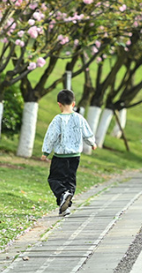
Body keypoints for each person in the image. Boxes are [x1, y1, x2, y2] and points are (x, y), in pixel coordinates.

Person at [41, 89, 97, 217]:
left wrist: (46, 151)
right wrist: (92, 143)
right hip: (75, 156)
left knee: (54, 179)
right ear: (73, 104)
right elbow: (87, 132)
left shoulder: (58, 119)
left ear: (59, 104)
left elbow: (51, 136)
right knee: (70, 181)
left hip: (60, 156)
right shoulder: (79, 118)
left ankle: (62, 194)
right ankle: (64, 207)